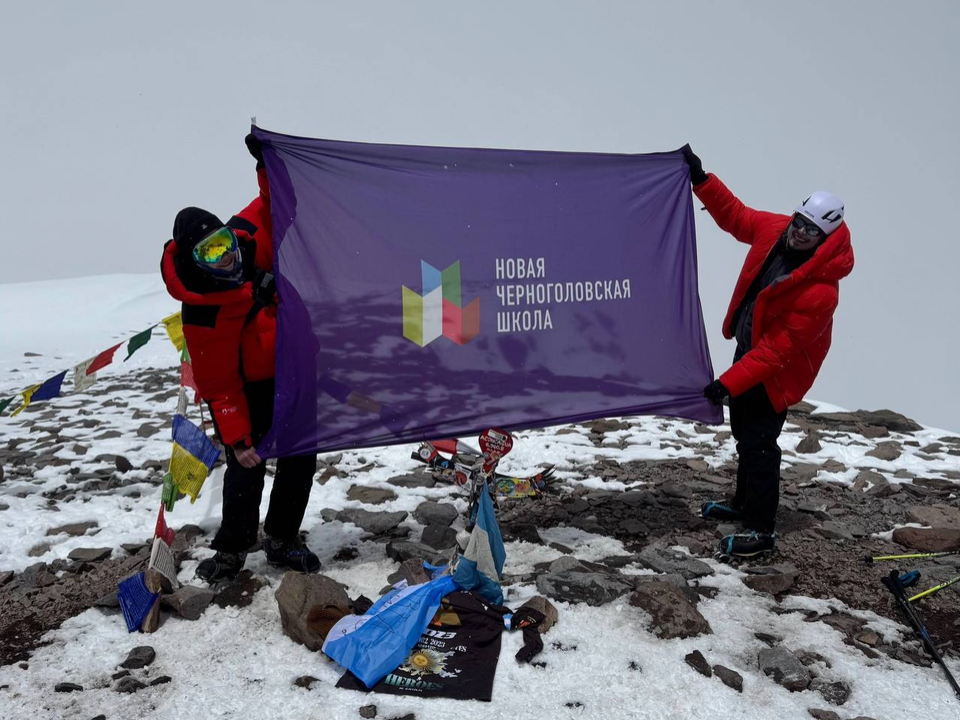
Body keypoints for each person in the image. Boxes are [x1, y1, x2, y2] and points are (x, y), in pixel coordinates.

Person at [160, 136, 321, 582]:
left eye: (223, 240)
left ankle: (283, 539)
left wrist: (266, 161)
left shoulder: (249, 239)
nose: (226, 254)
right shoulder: (202, 309)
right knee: (246, 464)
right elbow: (217, 382)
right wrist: (235, 434)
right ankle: (232, 548)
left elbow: (276, 202)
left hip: (293, 372)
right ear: (196, 262)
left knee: (300, 458)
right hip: (246, 388)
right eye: (210, 252)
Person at [683, 146, 854, 558]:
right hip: (748, 356)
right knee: (744, 434)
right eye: (799, 222)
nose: (799, 232)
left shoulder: (820, 291)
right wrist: (700, 178)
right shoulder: (775, 231)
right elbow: (736, 215)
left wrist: (727, 382)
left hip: (776, 375)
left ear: (825, 238)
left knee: (760, 444)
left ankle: (761, 530)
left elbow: (778, 352)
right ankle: (743, 506)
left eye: (810, 230)